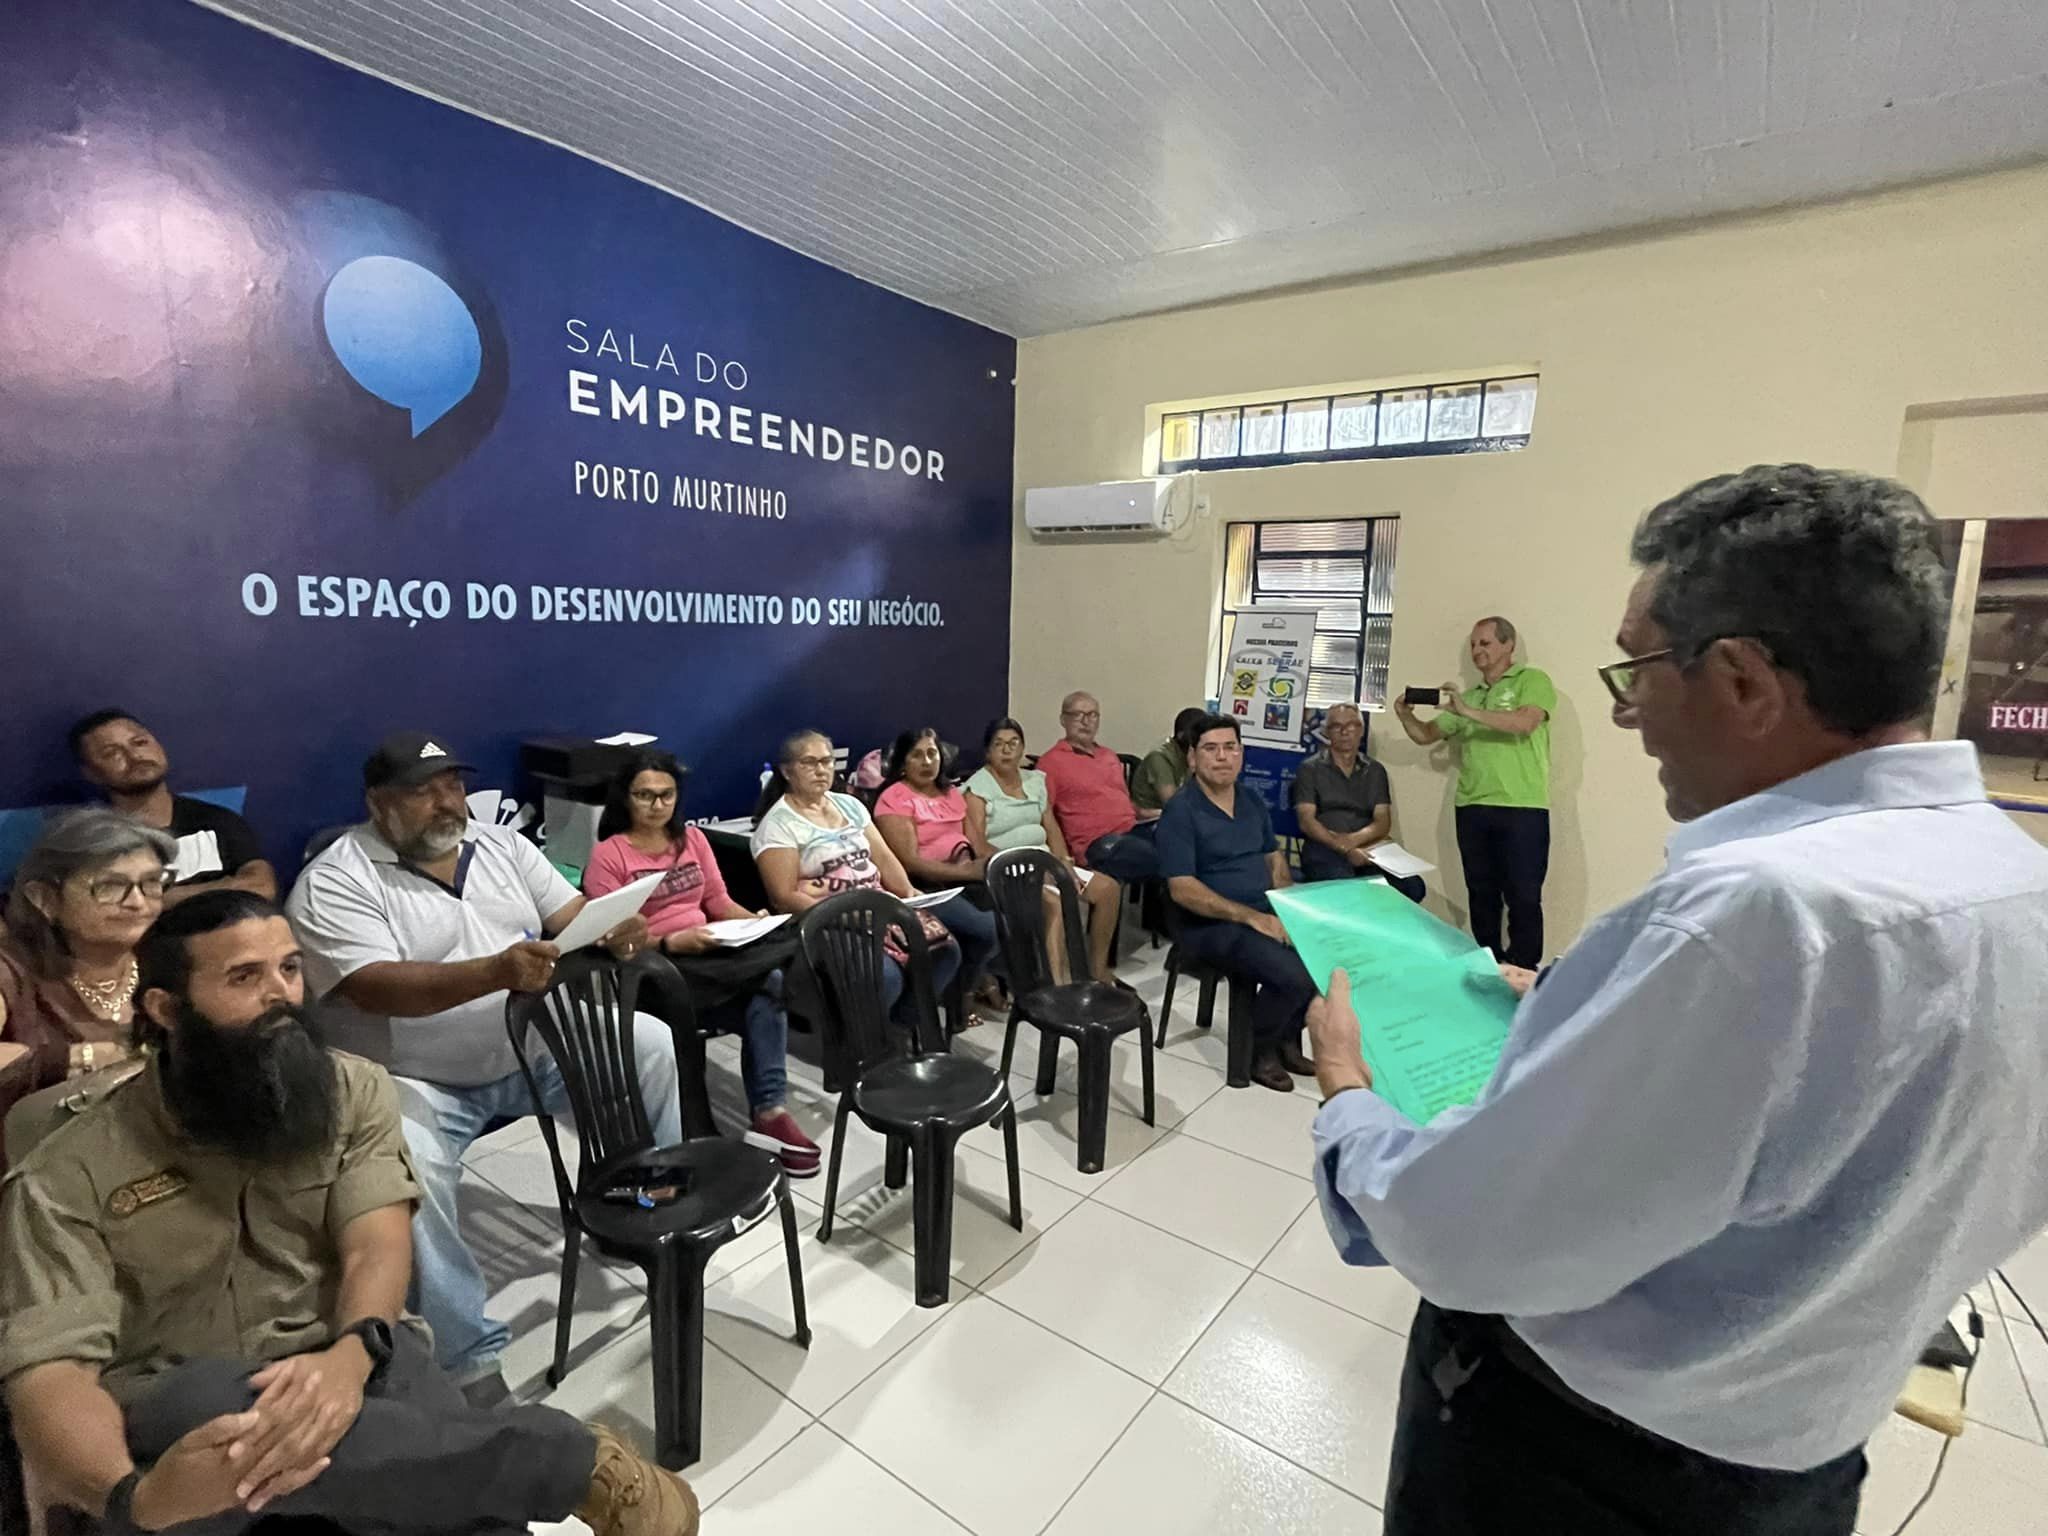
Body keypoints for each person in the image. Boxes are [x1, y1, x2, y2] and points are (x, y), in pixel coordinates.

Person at [1307, 464, 2048, 1536]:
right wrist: (1571, 996)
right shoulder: (2016, 879)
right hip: (1803, 1462)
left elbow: (1456, 1234)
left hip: (1589, 1466)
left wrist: (1345, 1097)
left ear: (1743, 680)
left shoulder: (1742, 920)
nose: (1626, 716)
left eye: (1638, 670)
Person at [0, 889, 699, 1536]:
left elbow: (376, 1243)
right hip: (180, 1395)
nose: (281, 995)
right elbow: (50, 1371)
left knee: (460, 1482)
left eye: (290, 969)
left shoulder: (351, 1088)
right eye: (244, 978)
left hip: (349, 1338)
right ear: (166, 1008)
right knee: (207, 1402)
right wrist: (134, 1500)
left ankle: (531, 1465)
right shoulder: (71, 1167)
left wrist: (351, 1352)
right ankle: (568, 1459)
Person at [286, 731, 673, 1403]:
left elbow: (569, 912)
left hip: (529, 1045)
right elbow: (376, 986)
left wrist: (615, 927)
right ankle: (466, 1358)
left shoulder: (500, 845)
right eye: (423, 790)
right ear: (379, 805)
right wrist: (495, 972)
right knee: (410, 1160)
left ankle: (642, 1209)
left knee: (647, 1045)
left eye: (452, 785)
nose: (446, 803)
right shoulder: (335, 881)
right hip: (414, 1075)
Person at [583, 750, 819, 1177]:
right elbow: (614, 942)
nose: (657, 805)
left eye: (666, 795)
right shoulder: (610, 855)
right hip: (655, 967)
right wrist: (671, 941)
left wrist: (755, 923)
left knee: (772, 978)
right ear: (625, 799)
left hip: (710, 955)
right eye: (645, 795)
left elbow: (718, 902)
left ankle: (770, 1110)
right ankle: (695, 1128)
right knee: (753, 984)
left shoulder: (692, 840)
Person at [751, 729, 962, 1023]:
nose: (820, 770)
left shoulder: (849, 804)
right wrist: (845, 914)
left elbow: (885, 859)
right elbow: (783, 897)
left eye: (825, 761)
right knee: (884, 976)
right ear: (787, 771)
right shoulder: (778, 824)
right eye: (809, 763)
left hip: (878, 905)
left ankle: (899, 1027)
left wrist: (909, 893)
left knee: (946, 952)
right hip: (827, 920)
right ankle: (863, 1045)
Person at [0, 809, 174, 1162]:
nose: (139, 902)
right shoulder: (12, 967)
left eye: (152, 882)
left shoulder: (173, 958)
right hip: (38, 1171)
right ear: (44, 899)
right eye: (110, 886)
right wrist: (86, 1058)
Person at [1155, 714, 1316, 1093]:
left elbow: (1273, 858)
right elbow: (1182, 888)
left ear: (1241, 754)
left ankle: (1287, 1039)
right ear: (1193, 757)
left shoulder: (1251, 800)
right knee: (1295, 976)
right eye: (1211, 749)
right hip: (1207, 923)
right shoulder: (1182, 810)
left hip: (1259, 909)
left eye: (1231, 747)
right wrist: (1251, 918)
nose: (1223, 757)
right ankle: (1257, 1051)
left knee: (1321, 952)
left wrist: (1286, 907)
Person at [1391, 618, 1554, 966]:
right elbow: (1426, 735)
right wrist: (1405, 716)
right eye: (1474, 645)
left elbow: (1525, 723)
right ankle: (1489, 965)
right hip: (1472, 808)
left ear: (1509, 645)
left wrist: (1468, 712)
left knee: (1524, 897)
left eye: (1486, 643)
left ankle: (1523, 971)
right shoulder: (1466, 699)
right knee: (1482, 896)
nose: (1478, 651)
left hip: (1522, 807)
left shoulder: (1531, 681)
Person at [962, 717, 1123, 985]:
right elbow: (978, 845)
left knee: (1108, 890)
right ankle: (1057, 986)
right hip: (1010, 871)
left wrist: (1064, 863)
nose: (1006, 750)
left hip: (1048, 864)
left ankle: (1097, 970)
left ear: (1022, 748)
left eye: (1013, 743)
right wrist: (1033, 868)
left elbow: (1052, 828)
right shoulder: (977, 787)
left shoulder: (1035, 781)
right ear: (988, 752)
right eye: (999, 744)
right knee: (1056, 903)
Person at [67, 709, 276, 904]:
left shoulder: (216, 820)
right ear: (90, 774)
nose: (135, 756)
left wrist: (164, 896)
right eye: (112, 753)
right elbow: (99, 908)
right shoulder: (92, 841)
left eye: (140, 742)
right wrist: (227, 886)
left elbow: (262, 886)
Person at [873, 727, 1003, 1008]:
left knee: (1017, 910)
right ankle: (963, 993)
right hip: (928, 889)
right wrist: (966, 872)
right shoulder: (894, 798)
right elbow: (911, 863)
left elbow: (976, 844)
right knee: (989, 928)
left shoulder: (952, 793)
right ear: (902, 763)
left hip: (967, 877)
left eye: (932, 754)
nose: (926, 762)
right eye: (916, 755)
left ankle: (974, 980)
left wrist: (1004, 863)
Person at [1291, 703, 1425, 902]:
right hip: (1324, 847)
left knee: (1413, 887)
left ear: (1361, 730)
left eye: (1351, 725)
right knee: (1346, 888)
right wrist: (1342, 847)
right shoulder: (1309, 769)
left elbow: (1382, 821)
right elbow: (1307, 821)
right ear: (1327, 732)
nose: (1345, 731)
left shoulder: (1376, 771)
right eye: (1337, 726)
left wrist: (1354, 844)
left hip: (1368, 848)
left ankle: (1379, 932)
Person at [1037, 691, 1158, 883]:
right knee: (1171, 860)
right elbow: (1044, 816)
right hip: (1099, 844)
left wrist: (1156, 814)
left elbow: (1125, 804)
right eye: (1078, 715)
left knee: (1190, 842)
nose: (1086, 722)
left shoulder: (1109, 756)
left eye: (1092, 715)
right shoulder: (1050, 763)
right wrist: (1061, 858)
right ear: (1063, 720)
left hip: (1133, 830)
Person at [1130, 707, 1206, 815]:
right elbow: (1173, 804)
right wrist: (1194, 770)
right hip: (1151, 817)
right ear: (1181, 735)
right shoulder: (1159, 757)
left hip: (1176, 814)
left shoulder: (1195, 753)